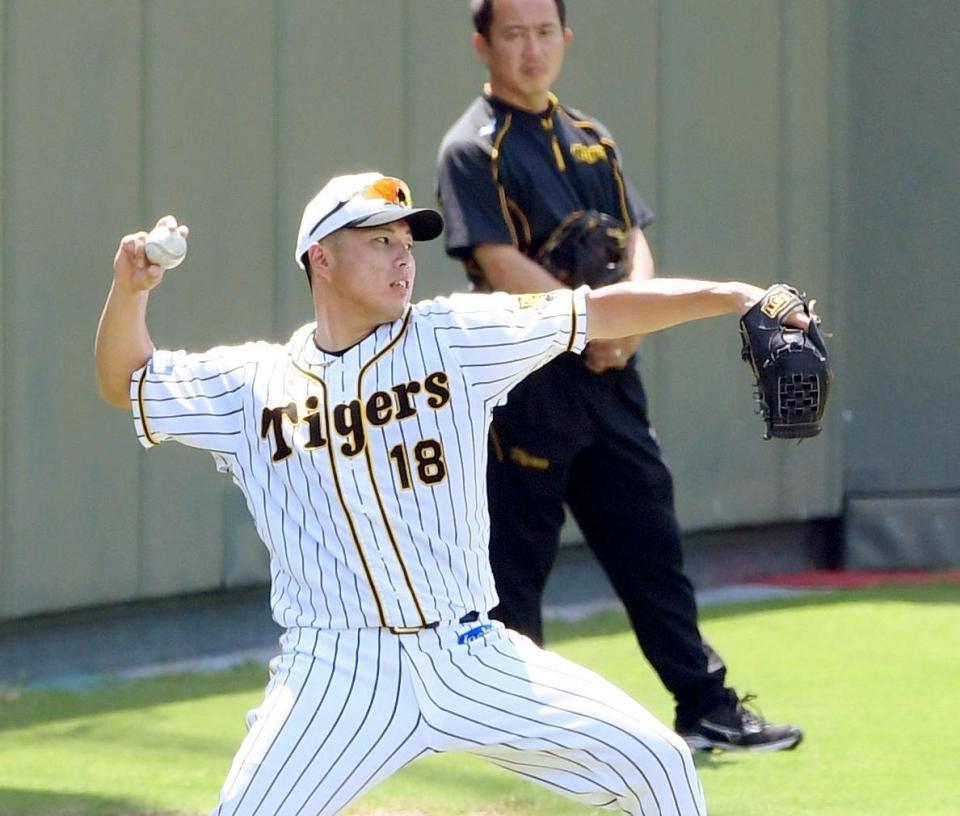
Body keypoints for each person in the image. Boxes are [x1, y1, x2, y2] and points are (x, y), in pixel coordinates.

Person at [95, 169, 812, 813]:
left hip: (470, 650)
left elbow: (602, 310)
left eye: (407, 238)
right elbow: (126, 382)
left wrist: (736, 295)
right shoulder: (253, 383)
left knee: (658, 765)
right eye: (377, 239)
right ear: (320, 255)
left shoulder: (455, 335)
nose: (402, 254)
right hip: (339, 670)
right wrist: (130, 293)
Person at [436, 0, 803, 753]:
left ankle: (706, 708)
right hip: (525, 385)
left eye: (545, 32)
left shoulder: (593, 138)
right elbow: (499, 265)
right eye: (514, 34)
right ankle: (513, 727)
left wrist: (626, 326)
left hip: (611, 378)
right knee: (514, 561)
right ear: (483, 45)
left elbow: (634, 241)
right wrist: (589, 325)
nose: (532, 48)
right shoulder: (473, 149)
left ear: (565, 39)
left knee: (649, 542)